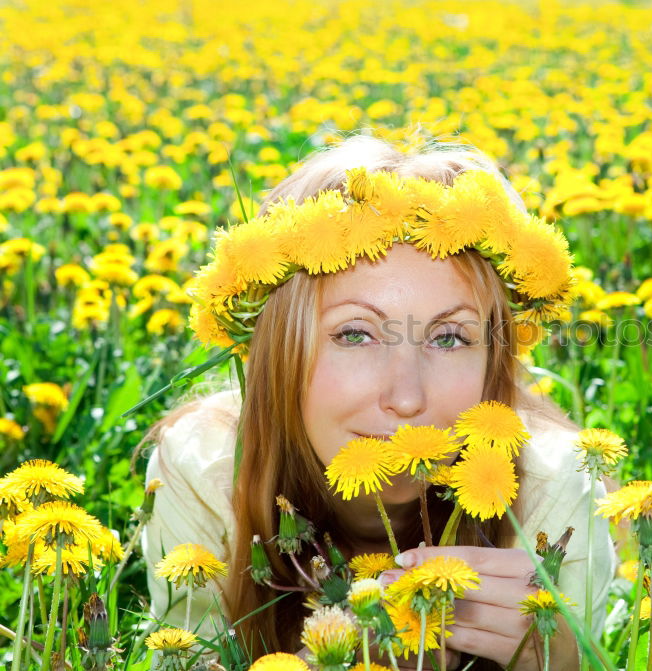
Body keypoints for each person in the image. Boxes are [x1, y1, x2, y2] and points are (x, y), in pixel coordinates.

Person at [141, 134, 616, 670]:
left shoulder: (553, 491)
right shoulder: (207, 473)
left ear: (494, 363)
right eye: (356, 335)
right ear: (277, 356)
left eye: (448, 338)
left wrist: (553, 658)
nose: (407, 397)